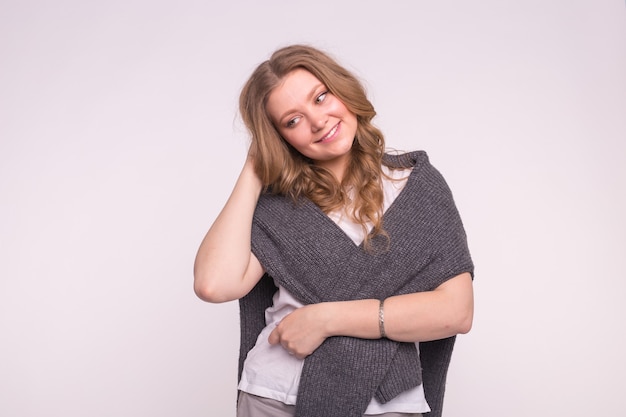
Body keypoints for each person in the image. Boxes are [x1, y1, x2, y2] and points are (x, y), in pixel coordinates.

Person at [193, 44, 474, 417]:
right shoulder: (278, 206)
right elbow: (214, 284)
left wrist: (324, 319)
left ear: (342, 90)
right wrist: (254, 169)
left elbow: (456, 311)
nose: (318, 120)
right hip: (274, 398)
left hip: (387, 403)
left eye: (321, 97)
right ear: (279, 138)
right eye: (292, 121)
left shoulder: (418, 188)